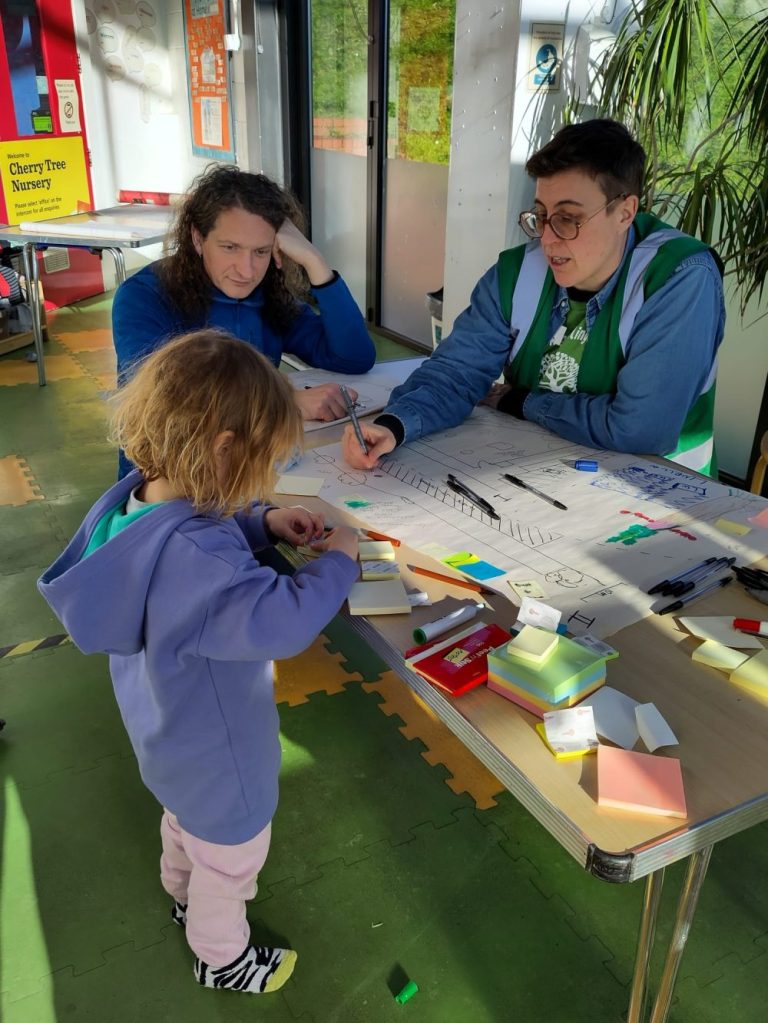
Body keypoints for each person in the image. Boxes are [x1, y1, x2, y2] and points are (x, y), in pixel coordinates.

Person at [38, 330, 361, 996]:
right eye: (265, 462)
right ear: (223, 450)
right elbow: (282, 619)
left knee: (185, 824)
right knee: (232, 859)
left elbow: (189, 533)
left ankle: (181, 892)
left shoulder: (134, 507)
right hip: (222, 756)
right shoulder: (204, 562)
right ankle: (219, 954)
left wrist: (263, 521)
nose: (266, 476)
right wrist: (339, 562)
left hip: (165, 737)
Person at [342, 119, 725, 477]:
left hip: (661, 492)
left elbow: (640, 429)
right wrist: (393, 425)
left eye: (568, 219)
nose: (548, 239)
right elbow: (456, 373)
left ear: (625, 213)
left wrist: (521, 402)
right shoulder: (517, 272)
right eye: (540, 216)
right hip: (537, 471)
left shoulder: (679, 277)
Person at [113, 164, 375, 476]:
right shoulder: (145, 296)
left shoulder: (267, 296)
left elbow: (354, 357)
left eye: (261, 252)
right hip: (164, 479)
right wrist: (284, 402)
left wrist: (315, 262)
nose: (246, 270)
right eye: (230, 248)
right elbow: (166, 400)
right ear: (197, 238)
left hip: (246, 470)